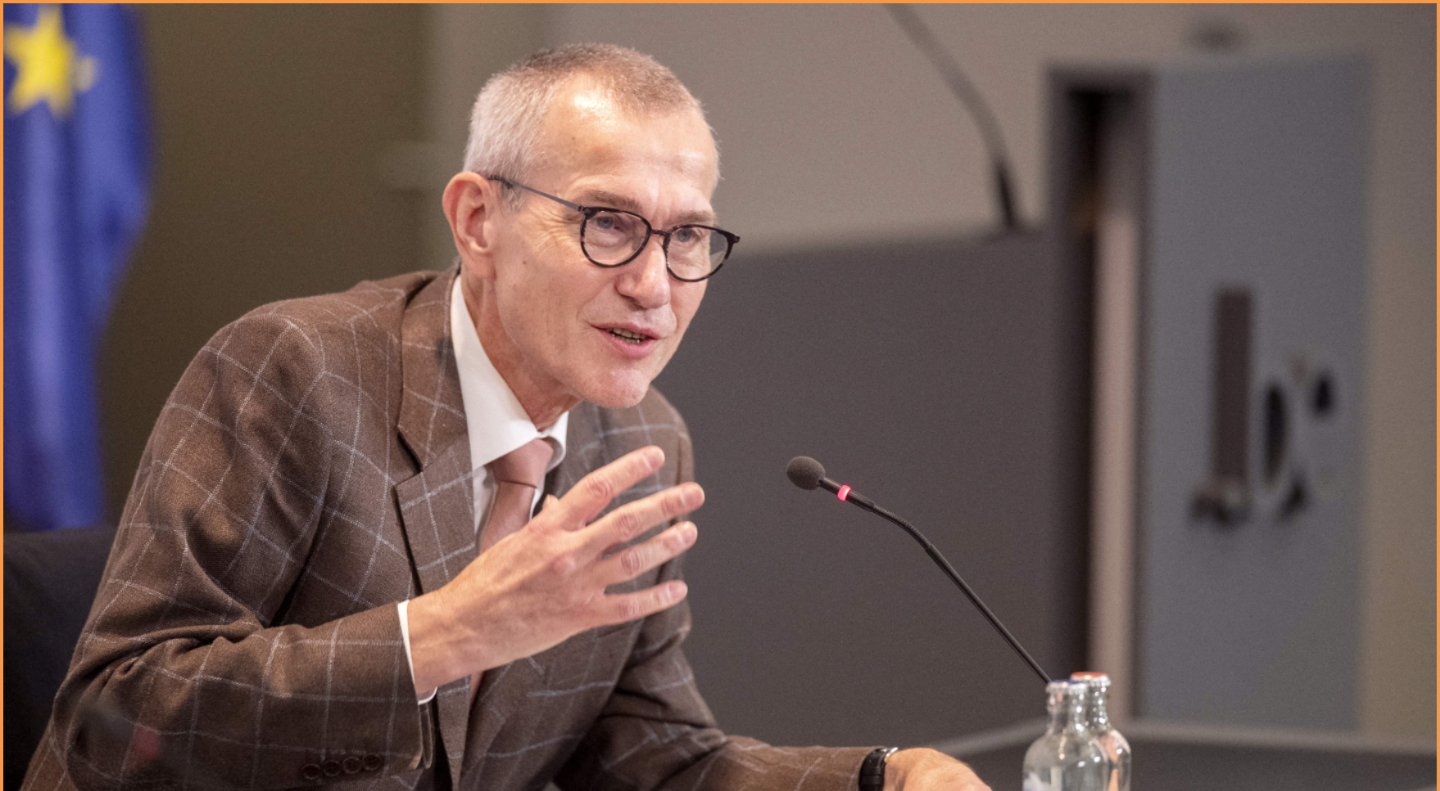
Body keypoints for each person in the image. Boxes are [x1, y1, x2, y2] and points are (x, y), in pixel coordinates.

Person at [22, 44, 991, 791]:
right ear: (477, 220)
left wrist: (884, 776)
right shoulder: (294, 372)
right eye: (608, 222)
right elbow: (114, 717)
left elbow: (654, 756)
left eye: (689, 235)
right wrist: (442, 633)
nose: (654, 283)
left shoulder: (641, 440)